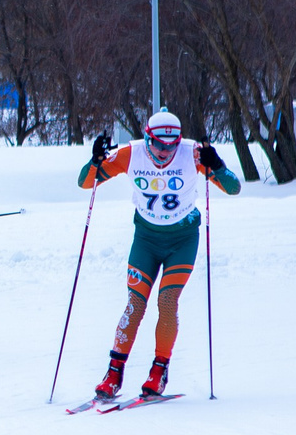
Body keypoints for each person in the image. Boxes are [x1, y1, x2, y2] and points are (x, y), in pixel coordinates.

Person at [79, 108, 241, 400]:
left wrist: (216, 164)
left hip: (182, 239)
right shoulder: (132, 154)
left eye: (172, 145)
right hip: (146, 239)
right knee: (135, 304)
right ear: (147, 138)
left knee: (167, 301)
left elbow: (233, 187)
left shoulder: (192, 154)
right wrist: (95, 161)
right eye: (158, 144)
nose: (165, 152)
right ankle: (113, 373)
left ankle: (159, 370)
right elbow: (86, 182)